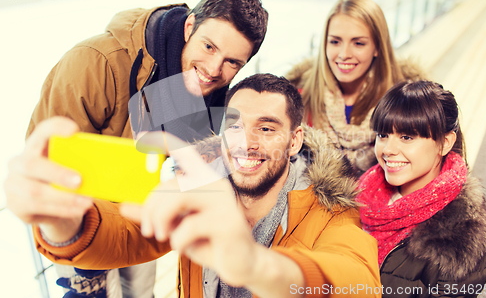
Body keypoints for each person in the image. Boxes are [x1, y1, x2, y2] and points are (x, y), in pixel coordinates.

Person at [6, 74, 382, 298]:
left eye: (266, 128)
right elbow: (125, 231)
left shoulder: (331, 211)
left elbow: (358, 283)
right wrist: (63, 219)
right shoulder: (202, 190)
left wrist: (256, 265)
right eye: (234, 126)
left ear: (295, 140)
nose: (246, 143)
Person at [25, 0, 269, 298]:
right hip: (80, 215)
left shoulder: (214, 94)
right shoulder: (95, 63)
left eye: (233, 62)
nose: (213, 69)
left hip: (143, 211)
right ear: (190, 26)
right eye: (209, 47)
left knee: (141, 294)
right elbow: (50, 159)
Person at [356, 80, 486, 297]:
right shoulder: (356, 194)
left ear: (445, 143)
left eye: (406, 137)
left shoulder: (461, 245)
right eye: (383, 135)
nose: (388, 149)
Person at [286, 0, 423, 175]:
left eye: (358, 43)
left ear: (377, 47)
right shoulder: (297, 98)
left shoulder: (409, 104)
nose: (344, 54)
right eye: (335, 42)